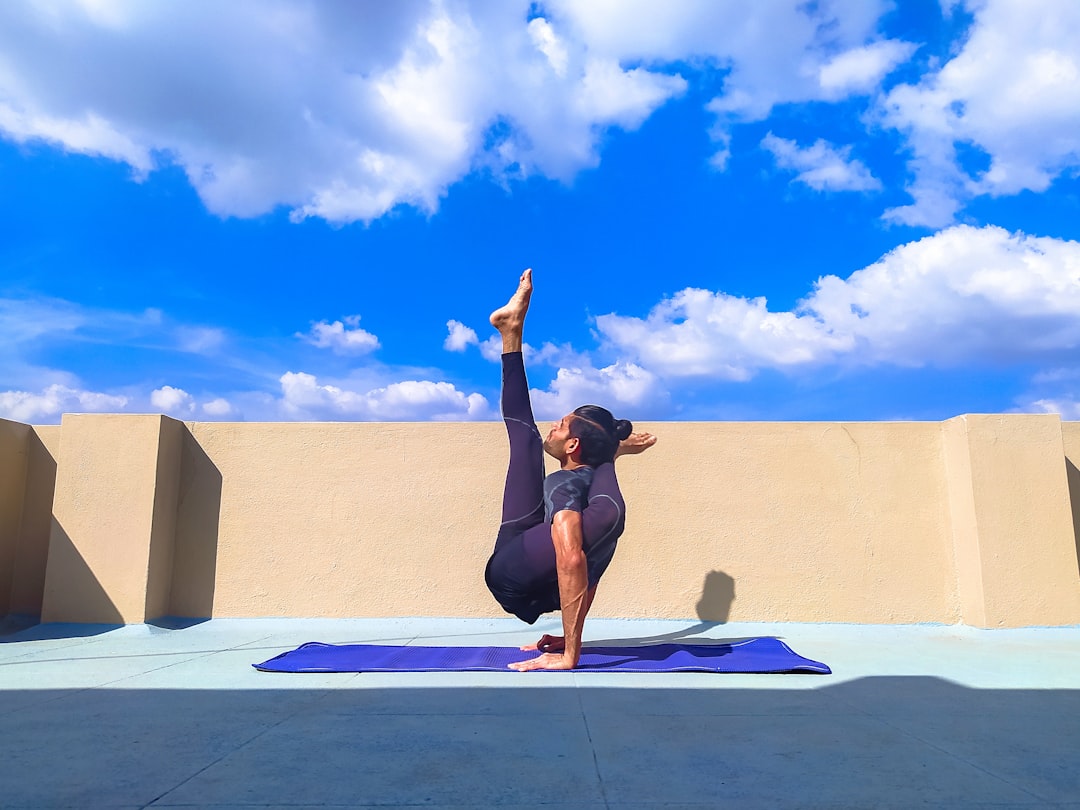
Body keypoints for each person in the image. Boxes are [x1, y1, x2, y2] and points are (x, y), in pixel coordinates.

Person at [485, 268, 656, 671]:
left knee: (599, 527)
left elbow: (574, 562)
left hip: (514, 580)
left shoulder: (564, 484)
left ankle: (512, 333)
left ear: (573, 446)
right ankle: (511, 331)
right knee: (602, 519)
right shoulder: (586, 484)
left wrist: (569, 654)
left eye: (560, 426)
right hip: (524, 566)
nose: (553, 428)